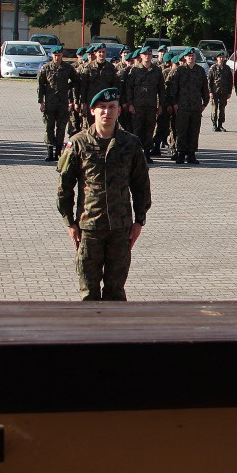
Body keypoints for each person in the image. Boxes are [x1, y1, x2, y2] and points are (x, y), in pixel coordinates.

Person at [57, 87, 151, 301]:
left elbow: (141, 185)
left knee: (115, 291)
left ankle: (116, 334)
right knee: (88, 291)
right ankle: (90, 333)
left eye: (111, 107)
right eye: (102, 108)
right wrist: (70, 222)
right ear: (92, 111)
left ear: (119, 111)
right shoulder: (78, 143)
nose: (106, 112)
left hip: (121, 228)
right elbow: (64, 186)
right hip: (89, 228)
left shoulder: (130, 143)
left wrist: (139, 221)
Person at [165, 47, 209, 164]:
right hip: (182, 106)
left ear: (195, 57)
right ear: (185, 58)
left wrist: (205, 103)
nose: (191, 57)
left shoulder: (200, 71)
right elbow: (173, 89)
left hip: (195, 106)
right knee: (181, 131)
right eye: (188, 56)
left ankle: (191, 154)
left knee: (194, 131)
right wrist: (174, 103)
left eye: (193, 56)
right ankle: (180, 153)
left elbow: (205, 88)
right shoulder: (179, 71)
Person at [37, 45, 78, 162]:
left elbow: (75, 80)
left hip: (62, 102)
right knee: (49, 127)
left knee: (61, 127)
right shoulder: (46, 68)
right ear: (51, 56)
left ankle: (58, 152)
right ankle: (49, 152)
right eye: (55, 56)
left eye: (59, 56)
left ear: (62, 56)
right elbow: (41, 86)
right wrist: (41, 101)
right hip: (50, 103)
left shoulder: (67, 68)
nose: (57, 58)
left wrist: (67, 88)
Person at [125, 47, 165, 162]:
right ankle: (137, 154)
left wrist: (161, 105)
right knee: (137, 130)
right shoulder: (135, 70)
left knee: (149, 129)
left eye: (149, 54)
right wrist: (130, 104)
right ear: (141, 56)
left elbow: (161, 89)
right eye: (144, 54)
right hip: (137, 106)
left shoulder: (157, 71)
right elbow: (129, 89)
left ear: (152, 56)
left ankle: (147, 153)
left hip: (151, 106)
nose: (147, 56)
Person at [207, 53, 233, 131]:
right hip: (215, 91)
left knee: (222, 108)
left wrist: (229, 92)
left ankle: (220, 124)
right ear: (217, 58)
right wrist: (210, 91)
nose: (221, 59)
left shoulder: (227, 68)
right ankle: (214, 124)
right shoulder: (213, 68)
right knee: (214, 108)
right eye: (220, 57)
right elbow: (209, 80)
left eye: (223, 57)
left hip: (224, 91)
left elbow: (230, 81)